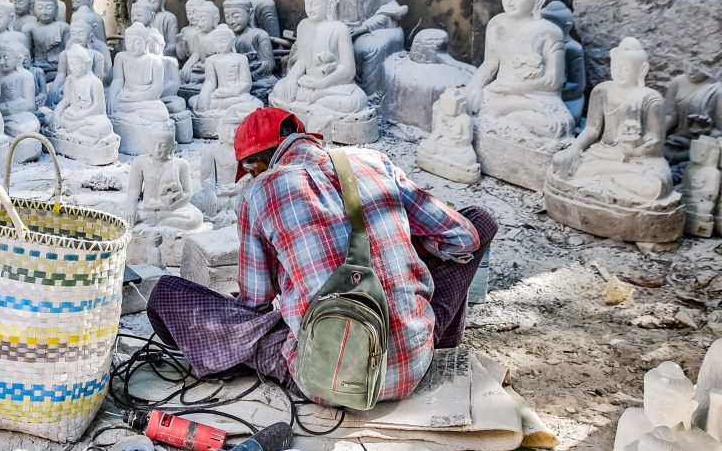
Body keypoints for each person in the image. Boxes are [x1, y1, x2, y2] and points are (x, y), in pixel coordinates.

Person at [146, 107, 497, 403]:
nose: (253, 176)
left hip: (328, 377)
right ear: (304, 138)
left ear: (256, 163)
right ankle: (444, 338)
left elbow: (256, 303)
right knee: (480, 219)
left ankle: (243, 362)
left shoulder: (258, 193)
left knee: (167, 294)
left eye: (251, 170)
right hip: (414, 360)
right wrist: (411, 245)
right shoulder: (374, 161)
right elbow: (465, 237)